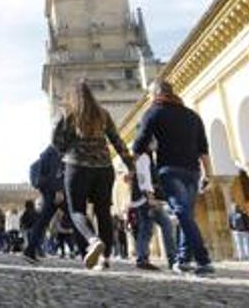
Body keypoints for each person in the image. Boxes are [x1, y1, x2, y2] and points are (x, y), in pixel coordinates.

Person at [131, 79, 213, 276]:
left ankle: (203, 260)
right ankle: (183, 260)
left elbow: (139, 143)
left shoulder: (154, 112)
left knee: (182, 213)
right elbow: (203, 148)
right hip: (193, 171)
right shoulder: (192, 115)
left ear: (157, 94)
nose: (150, 98)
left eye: (150, 94)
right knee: (187, 215)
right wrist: (208, 173)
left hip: (170, 169)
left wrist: (134, 162)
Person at [52, 81, 132, 271]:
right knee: (103, 212)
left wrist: (67, 149)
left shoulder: (68, 114)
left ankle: (92, 241)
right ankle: (105, 259)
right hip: (104, 168)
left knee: (76, 211)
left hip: (76, 167)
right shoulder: (102, 114)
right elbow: (117, 141)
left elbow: (56, 141)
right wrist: (130, 165)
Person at [127, 150, 176, 271]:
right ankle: (172, 259)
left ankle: (142, 258)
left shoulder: (142, 157)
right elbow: (144, 179)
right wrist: (150, 197)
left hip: (142, 199)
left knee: (146, 229)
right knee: (166, 225)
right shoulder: (144, 157)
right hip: (147, 199)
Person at [23, 144, 65, 263]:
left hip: (49, 189)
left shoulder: (50, 151)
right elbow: (55, 172)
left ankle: (30, 250)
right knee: (76, 215)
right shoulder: (55, 151)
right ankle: (89, 249)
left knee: (43, 221)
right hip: (54, 190)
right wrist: (58, 190)